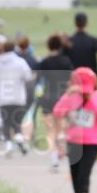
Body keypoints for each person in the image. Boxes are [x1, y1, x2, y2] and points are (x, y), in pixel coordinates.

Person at [53, 67, 97, 193]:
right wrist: (67, 95)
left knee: (84, 175)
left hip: (92, 142)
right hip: (74, 142)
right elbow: (57, 112)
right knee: (75, 175)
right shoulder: (71, 97)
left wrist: (91, 99)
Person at [0, 39, 34, 157]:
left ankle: (9, 143)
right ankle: (19, 137)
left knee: (6, 121)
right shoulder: (20, 62)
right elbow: (28, 76)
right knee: (16, 120)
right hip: (18, 96)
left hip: (2, 96)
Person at [36, 34, 74, 171]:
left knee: (50, 129)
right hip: (62, 96)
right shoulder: (66, 61)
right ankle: (62, 146)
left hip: (48, 95)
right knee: (61, 126)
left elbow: (38, 80)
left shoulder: (45, 62)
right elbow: (71, 79)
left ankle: (54, 158)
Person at [65, 12, 97, 76]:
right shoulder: (94, 40)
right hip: (91, 75)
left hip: (74, 76)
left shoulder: (68, 41)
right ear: (87, 23)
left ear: (75, 23)